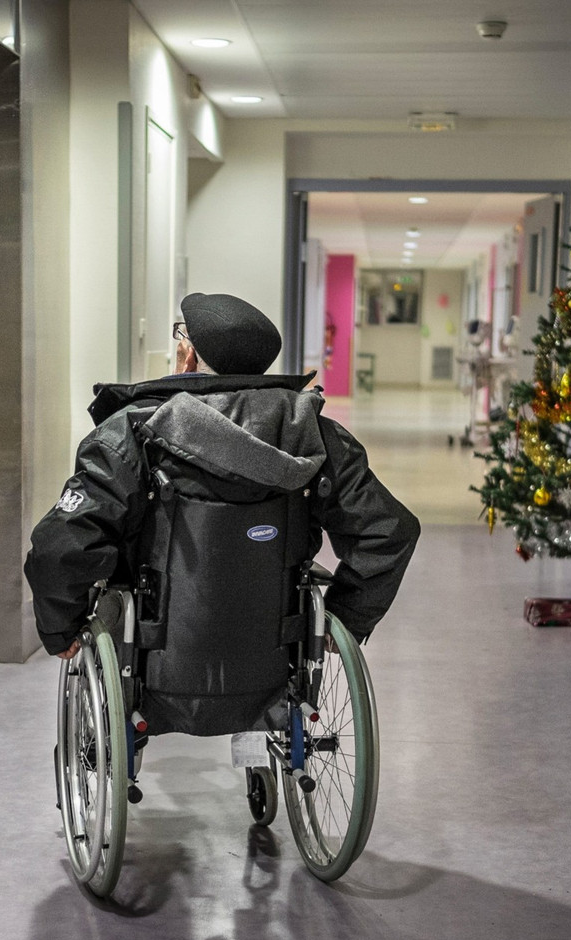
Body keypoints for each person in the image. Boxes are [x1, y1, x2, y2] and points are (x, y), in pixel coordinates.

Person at [23, 292, 418, 790]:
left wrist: (61, 630)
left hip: (155, 663)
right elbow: (390, 529)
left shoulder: (134, 433)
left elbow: (62, 545)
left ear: (188, 355)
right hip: (276, 662)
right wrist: (347, 617)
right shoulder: (313, 434)